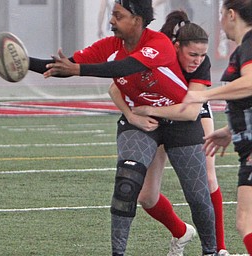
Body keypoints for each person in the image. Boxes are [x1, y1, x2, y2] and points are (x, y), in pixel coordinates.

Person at [27, 0, 217, 255]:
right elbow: (64, 67)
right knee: (127, 184)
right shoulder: (110, 46)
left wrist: (79, 69)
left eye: (118, 15)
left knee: (197, 196)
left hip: (179, 122)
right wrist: (21, 62)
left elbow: (127, 67)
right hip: (139, 120)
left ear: (136, 20)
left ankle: (212, 251)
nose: (111, 21)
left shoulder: (157, 43)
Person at [109, 10, 229, 256]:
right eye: (192, 54)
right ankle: (181, 231)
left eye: (202, 55)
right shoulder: (157, 52)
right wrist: (132, 115)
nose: (197, 60)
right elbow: (114, 87)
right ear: (175, 47)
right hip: (156, 115)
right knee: (144, 196)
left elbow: (190, 111)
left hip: (189, 109)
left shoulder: (199, 64)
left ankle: (218, 249)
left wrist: (147, 108)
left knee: (206, 177)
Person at [181, 0, 252, 254]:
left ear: (231, 14)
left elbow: (251, 82)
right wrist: (230, 131)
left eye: (222, 14)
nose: (221, 22)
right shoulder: (244, 49)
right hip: (246, 146)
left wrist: (204, 96)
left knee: (246, 222)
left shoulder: (249, 45)